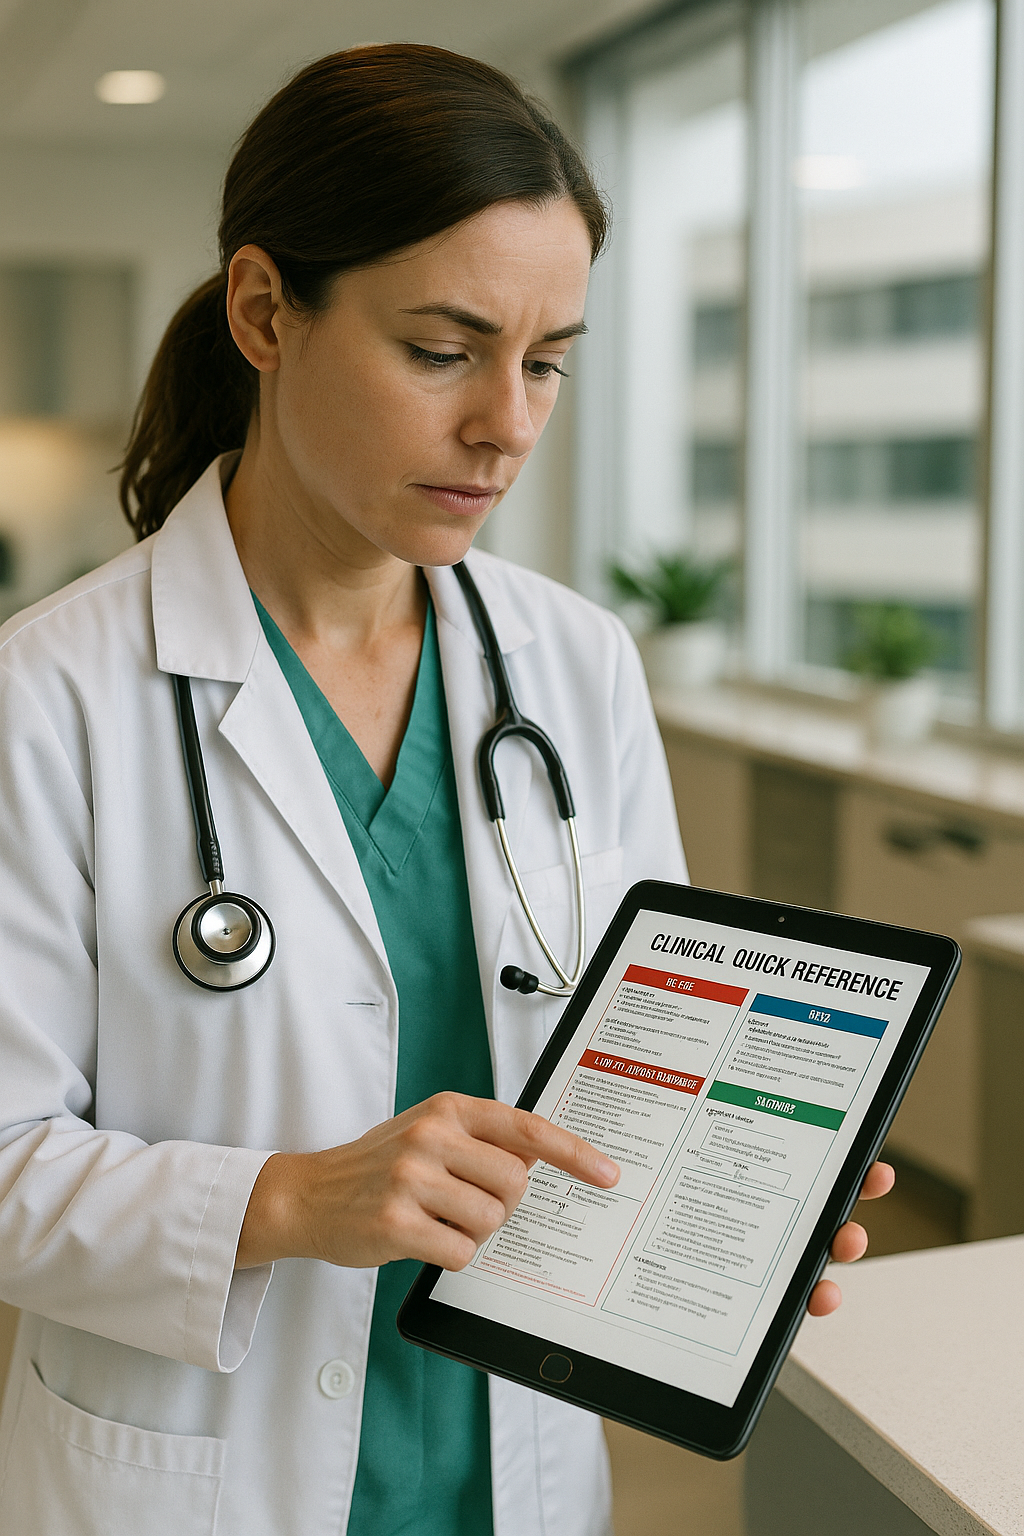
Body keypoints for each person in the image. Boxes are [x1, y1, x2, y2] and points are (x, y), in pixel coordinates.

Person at [0, 43, 893, 1536]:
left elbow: (634, 1048)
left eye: (546, 360)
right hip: (193, 1481)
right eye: (442, 349)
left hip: (514, 1473)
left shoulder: (576, 666)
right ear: (266, 310)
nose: (509, 423)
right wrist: (286, 1200)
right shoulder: (50, 697)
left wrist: (729, 1195)